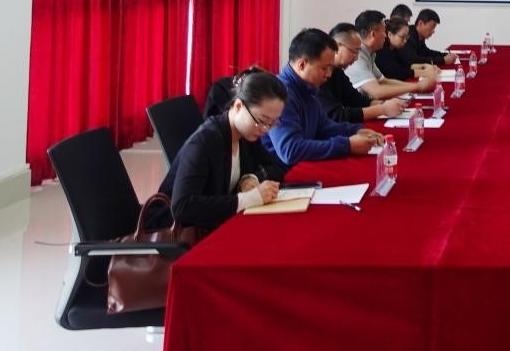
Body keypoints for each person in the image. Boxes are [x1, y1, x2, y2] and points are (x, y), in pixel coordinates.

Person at [158, 68, 289, 230]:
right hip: (174, 231)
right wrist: (249, 199)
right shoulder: (206, 141)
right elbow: (182, 207)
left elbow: (277, 166)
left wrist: (252, 178)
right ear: (239, 106)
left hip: (215, 224)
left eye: (272, 123)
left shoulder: (247, 134)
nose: (265, 130)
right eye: (262, 121)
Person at [263, 28, 384, 165]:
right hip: (282, 172)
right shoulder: (280, 94)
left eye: (331, 68)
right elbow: (290, 150)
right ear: (302, 64)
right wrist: (347, 145)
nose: (329, 74)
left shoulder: (308, 88)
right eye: (324, 68)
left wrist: (356, 130)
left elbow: (324, 127)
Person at [321, 23, 407, 122]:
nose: (356, 57)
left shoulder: (337, 72)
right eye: (354, 51)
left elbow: (356, 100)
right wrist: (382, 109)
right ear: (337, 46)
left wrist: (385, 104)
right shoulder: (320, 78)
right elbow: (337, 116)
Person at [350, 10, 438, 100]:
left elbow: (383, 81)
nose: (385, 36)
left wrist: (415, 85)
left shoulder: (370, 53)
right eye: (383, 31)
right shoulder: (357, 57)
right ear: (373, 34)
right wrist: (417, 87)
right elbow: (377, 92)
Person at [377, 16, 439, 81]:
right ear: (390, 34)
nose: (405, 41)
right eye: (402, 37)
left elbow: (406, 64)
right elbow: (396, 73)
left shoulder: (396, 47)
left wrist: (424, 66)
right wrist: (423, 72)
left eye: (407, 37)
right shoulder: (381, 49)